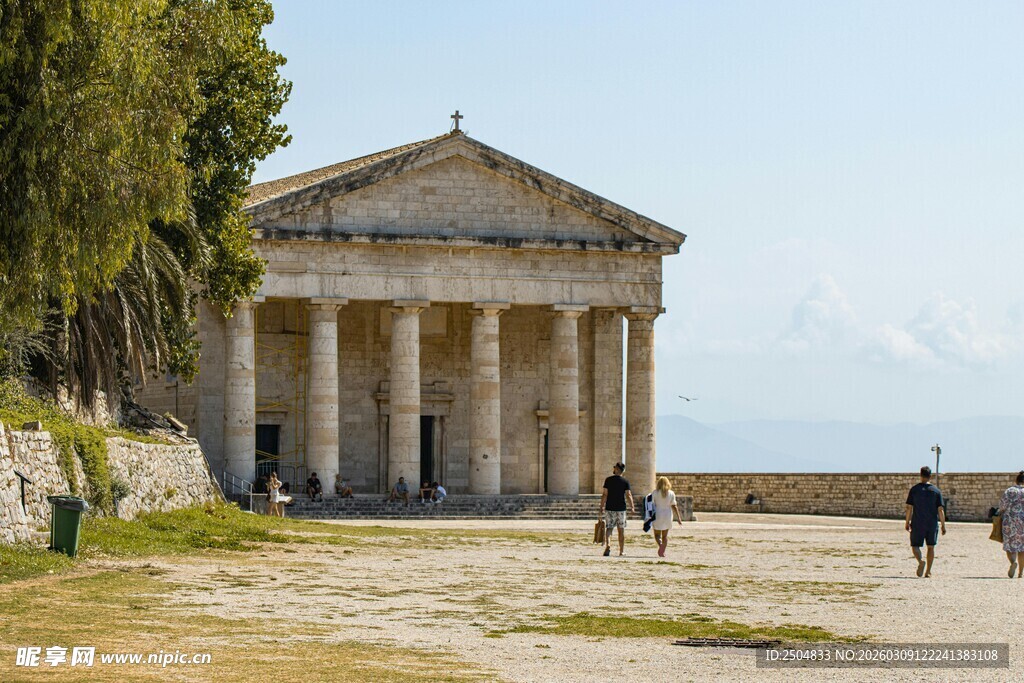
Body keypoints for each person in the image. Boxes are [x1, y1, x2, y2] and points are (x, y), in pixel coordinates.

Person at [905, 466, 946, 578]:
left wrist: (907, 522)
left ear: (920, 475)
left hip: (918, 522)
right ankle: (928, 571)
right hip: (932, 524)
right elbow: (940, 510)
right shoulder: (936, 491)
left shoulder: (914, 490)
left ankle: (921, 561)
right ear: (930, 475)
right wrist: (943, 525)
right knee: (931, 547)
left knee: (915, 546)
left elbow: (909, 507)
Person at [599, 462, 635, 557]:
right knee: (621, 530)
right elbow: (628, 495)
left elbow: (604, 494)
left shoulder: (608, 480)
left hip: (610, 507)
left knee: (609, 528)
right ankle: (621, 551)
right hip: (621, 508)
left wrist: (601, 506)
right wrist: (632, 506)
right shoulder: (625, 481)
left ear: (617, 469)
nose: (613, 468)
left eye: (614, 467)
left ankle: (609, 545)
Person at [998, 471, 1024, 578]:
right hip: (1023, 523)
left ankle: (1013, 562)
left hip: (1009, 522)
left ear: (1016, 480)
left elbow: (1002, 505)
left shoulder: (1009, 491)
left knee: (1009, 545)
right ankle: (1020, 573)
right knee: (1022, 548)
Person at [650, 476, 684, 557]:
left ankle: (661, 545)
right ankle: (663, 551)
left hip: (657, 514)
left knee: (657, 535)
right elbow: (674, 506)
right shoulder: (671, 493)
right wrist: (679, 518)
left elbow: (651, 504)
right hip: (667, 515)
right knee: (664, 536)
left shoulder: (655, 492)